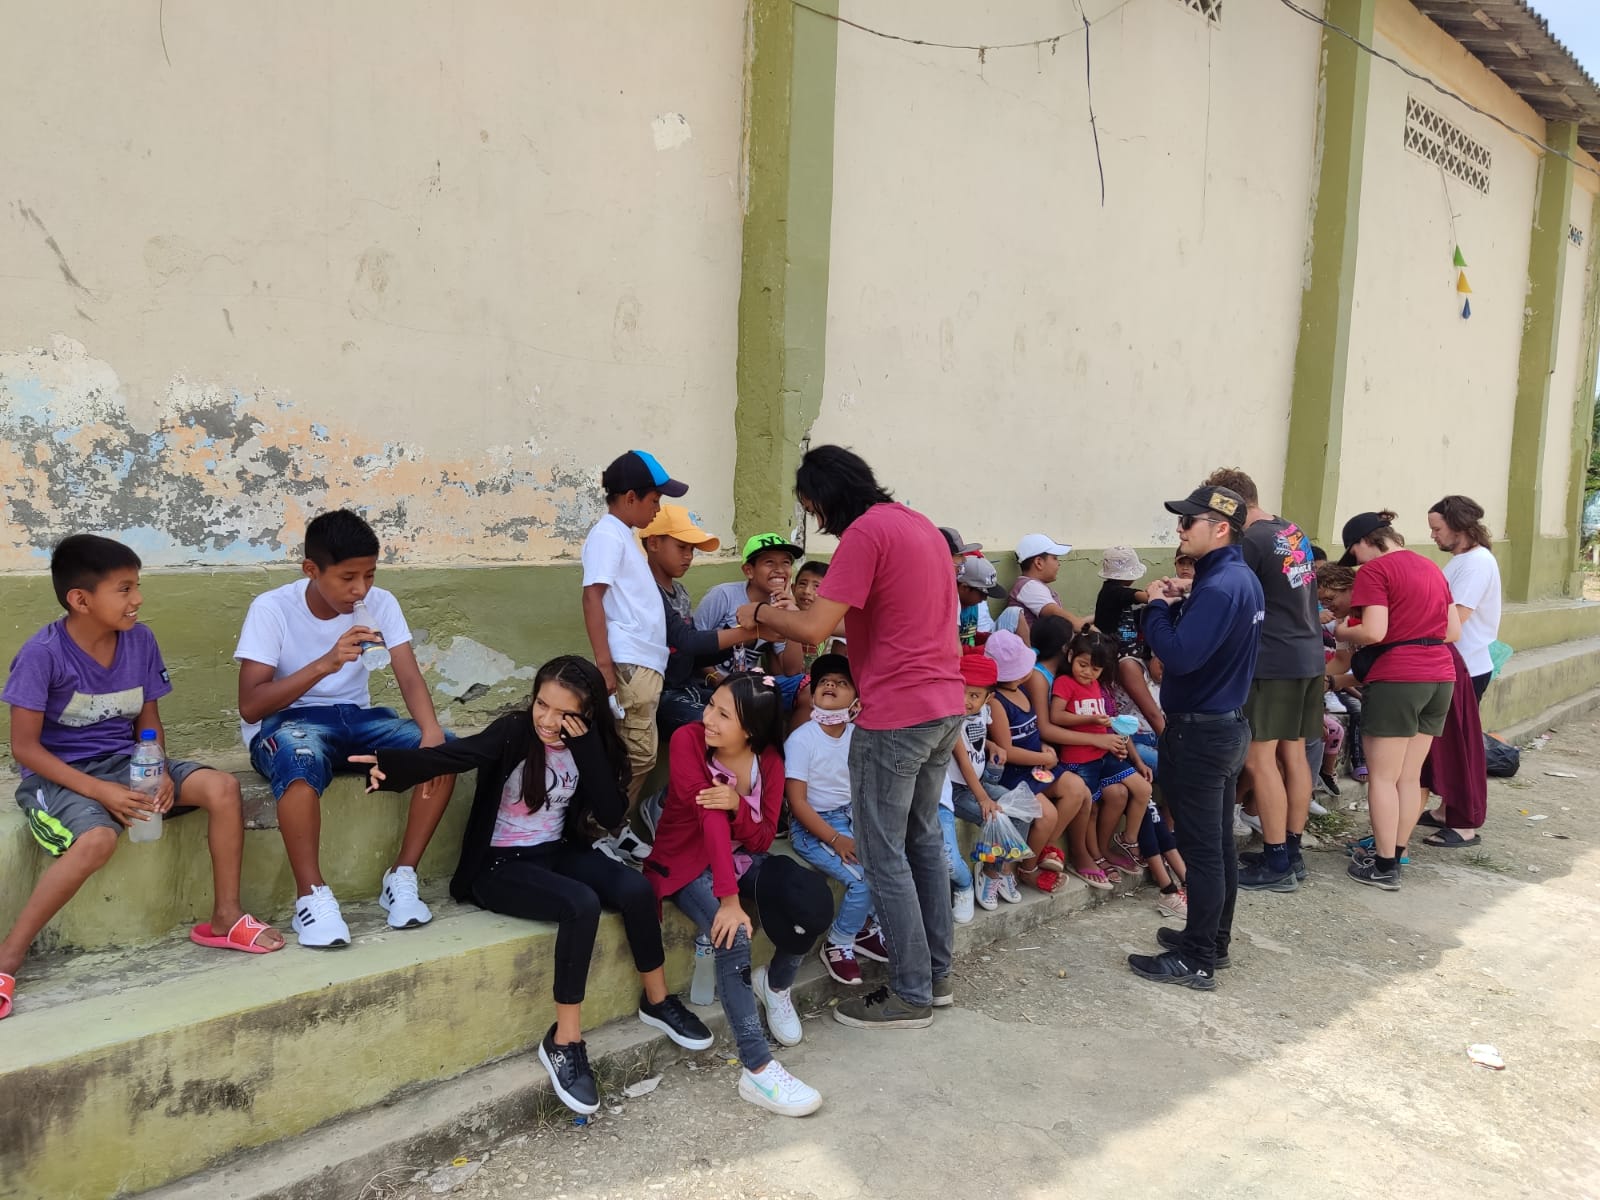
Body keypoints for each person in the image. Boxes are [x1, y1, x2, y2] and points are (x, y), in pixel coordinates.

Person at [349, 656, 711, 1115]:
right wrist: (392, 766)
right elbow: (458, 755)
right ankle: (565, 1041)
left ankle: (657, 1001)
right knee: (580, 904)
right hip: (498, 866)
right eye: (542, 704)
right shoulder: (515, 731)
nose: (547, 720)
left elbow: (610, 811)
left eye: (564, 713)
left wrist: (586, 748)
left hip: (556, 851)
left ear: (586, 715)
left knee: (636, 890)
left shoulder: (590, 744)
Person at [1, 537, 284, 1018]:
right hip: (59, 778)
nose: (138, 599)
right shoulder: (42, 655)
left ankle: (226, 916)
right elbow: (25, 748)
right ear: (80, 599)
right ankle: (8, 958)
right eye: (124, 589)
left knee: (222, 787)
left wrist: (160, 769)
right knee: (97, 840)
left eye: (137, 586)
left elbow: (148, 721)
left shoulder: (140, 640)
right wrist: (100, 791)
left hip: (128, 762)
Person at [734, 445, 963, 1029]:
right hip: (943, 705)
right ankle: (935, 977)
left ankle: (910, 993)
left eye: (812, 509)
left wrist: (760, 615)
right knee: (922, 842)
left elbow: (814, 629)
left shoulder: (865, 533)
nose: (818, 523)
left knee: (882, 855)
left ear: (823, 499)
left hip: (896, 716)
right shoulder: (918, 525)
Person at [235, 510, 455, 949]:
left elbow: (408, 676)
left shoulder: (381, 604)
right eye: (348, 578)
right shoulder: (272, 609)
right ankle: (311, 897)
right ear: (311, 570)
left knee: (445, 749)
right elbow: (251, 705)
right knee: (298, 756)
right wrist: (327, 663)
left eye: (369, 575)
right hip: (290, 724)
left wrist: (431, 734)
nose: (360, 590)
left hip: (357, 720)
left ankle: (402, 876)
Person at [647, 674, 832, 1117]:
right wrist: (729, 903)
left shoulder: (769, 761)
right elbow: (707, 816)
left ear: (750, 729)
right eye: (710, 704)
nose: (708, 717)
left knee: (811, 901)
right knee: (734, 937)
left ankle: (776, 984)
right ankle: (758, 1069)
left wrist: (736, 805)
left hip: (741, 860)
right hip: (685, 864)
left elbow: (763, 838)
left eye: (723, 714)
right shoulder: (688, 740)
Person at [1126, 485, 1263, 990]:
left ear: (1220, 528)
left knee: (1203, 851)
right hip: (1223, 725)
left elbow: (1180, 656)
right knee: (1218, 846)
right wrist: (1185, 596)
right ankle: (1211, 941)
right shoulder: (1235, 577)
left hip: (1202, 733)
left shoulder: (1221, 585)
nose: (1180, 531)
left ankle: (1198, 959)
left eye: (1189, 523)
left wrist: (1156, 608)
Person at [1203, 468, 1324, 895]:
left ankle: (1275, 862)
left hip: (1273, 661)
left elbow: (1230, 590)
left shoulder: (1251, 540)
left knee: (1259, 760)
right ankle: (1291, 851)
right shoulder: (1290, 530)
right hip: (1307, 654)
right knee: (1293, 753)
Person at [1334, 511, 1460, 891]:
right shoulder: (1431, 567)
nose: (1356, 561)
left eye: (1353, 553)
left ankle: (1384, 866)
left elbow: (1374, 631)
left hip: (1398, 678)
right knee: (1409, 776)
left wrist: (1340, 629)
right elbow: (1453, 630)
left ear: (1364, 542)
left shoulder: (1375, 571)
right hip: (1441, 676)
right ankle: (1397, 852)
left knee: (1383, 778)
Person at [582, 450, 686, 810]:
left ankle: (610, 826)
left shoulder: (621, 535)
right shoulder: (608, 536)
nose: (658, 509)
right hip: (631, 663)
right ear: (630, 498)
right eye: (654, 500)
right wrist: (605, 666)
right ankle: (601, 827)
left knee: (635, 754)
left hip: (643, 664)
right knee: (637, 756)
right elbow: (592, 597)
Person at [784, 656, 887, 985]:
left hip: (850, 815)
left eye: (842, 683)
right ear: (813, 693)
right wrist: (834, 839)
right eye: (824, 682)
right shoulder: (802, 739)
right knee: (863, 880)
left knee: (887, 862)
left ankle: (863, 929)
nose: (830, 684)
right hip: (814, 827)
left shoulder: (857, 735)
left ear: (856, 700)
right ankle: (838, 941)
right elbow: (797, 802)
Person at [983, 630, 1091, 893]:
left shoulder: (1022, 689)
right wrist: (1044, 757)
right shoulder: (997, 702)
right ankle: (1028, 869)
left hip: (1038, 765)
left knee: (1078, 790)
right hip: (1015, 773)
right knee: (1047, 815)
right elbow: (1007, 750)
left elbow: (1031, 730)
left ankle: (1042, 850)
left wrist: (1042, 748)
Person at [1419, 494, 1500, 841]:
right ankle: (1445, 810)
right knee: (1446, 744)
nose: (1433, 535)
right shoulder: (1462, 560)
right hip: (1452, 663)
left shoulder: (1476, 563)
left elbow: (1456, 619)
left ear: (1458, 526)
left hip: (1465, 664)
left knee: (1460, 748)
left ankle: (1464, 825)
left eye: (1437, 529)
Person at [640, 504, 759, 738]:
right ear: (653, 543)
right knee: (719, 724)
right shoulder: (645, 590)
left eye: (692, 549)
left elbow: (693, 656)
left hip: (689, 688)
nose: (688, 556)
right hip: (660, 695)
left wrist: (738, 640)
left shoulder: (680, 592)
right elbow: (687, 641)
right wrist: (746, 633)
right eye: (682, 547)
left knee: (751, 712)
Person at [1050, 630, 1151, 872]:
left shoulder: (1096, 685)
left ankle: (1127, 840)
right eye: (1083, 665)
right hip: (1079, 759)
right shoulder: (1065, 683)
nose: (1087, 672)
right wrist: (1092, 719)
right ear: (1071, 656)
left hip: (1102, 754)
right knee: (1092, 808)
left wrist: (1123, 746)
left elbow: (1105, 722)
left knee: (1143, 788)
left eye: (1095, 669)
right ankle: (1091, 853)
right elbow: (1056, 716)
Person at [938, 652, 1005, 920]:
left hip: (979, 783)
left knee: (1019, 811)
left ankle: (993, 870)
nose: (965, 700)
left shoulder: (984, 712)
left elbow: (975, 739)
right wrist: (983, 798)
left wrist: (992, 746)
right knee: (996, 817)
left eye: (974, 695)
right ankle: (979, 877)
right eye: (962, 691)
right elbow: (963, 761)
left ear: (989, 698)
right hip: (958, 790)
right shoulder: (952, 716)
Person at [693, 532, 806, 682]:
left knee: (803, 684)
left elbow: (793, 671)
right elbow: (693, 647)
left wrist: (793, 617)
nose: (780, 569)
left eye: (786, 562)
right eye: (769, 562)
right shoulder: (723, 595)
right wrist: (718, 681)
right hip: (710, 683)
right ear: (749, 571)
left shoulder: (779, 607)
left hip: (748, 686)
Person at [1001, 534, 1085, 642]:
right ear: (1039, 563)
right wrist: (1091, 630)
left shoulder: (1032, 585)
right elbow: (1060, 617)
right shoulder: (1029, 587)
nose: (1058, 564)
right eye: (1055, 558)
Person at [1092, 546, 1149, 648]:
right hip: (1114, 647)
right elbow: (1138, 596)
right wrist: (1156, 592)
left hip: (1121, 640)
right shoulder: (1114, 592)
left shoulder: (1109, 588)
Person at [955, 557, 1004, 647]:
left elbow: (969, 635)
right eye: (982, 594)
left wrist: (987, 638)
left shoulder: (973, 605)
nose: (985, 599)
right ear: (964, 588)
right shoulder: (951, 610)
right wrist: (982, 650)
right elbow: (953, 646)